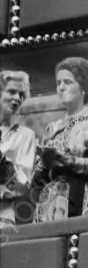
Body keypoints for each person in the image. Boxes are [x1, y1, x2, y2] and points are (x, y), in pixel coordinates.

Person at [31, 58, 88, 222]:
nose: (61, 87)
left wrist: (62, 158)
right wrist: (45, 164)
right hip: (49, 206)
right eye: (58, 82)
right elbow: (36, 182)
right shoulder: (51, 128)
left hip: (80, 199)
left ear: (83, 87)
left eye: (67, 82)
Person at [1, 70, 36, 226]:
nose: (17, 98)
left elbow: (23, 185)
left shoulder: (25, 135)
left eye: (21, 94)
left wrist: (3, 161)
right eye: (12, 91)